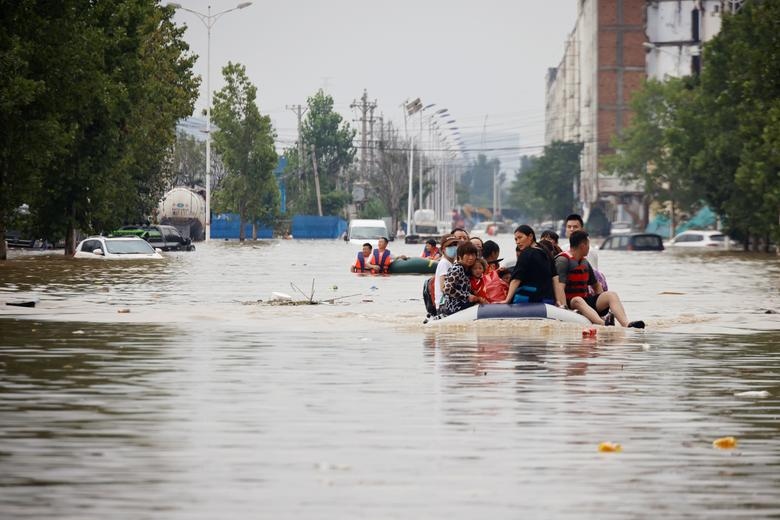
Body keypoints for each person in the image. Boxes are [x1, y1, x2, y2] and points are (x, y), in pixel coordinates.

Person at [556, 230, 644, 328]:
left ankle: (626, 324)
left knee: (611, 295)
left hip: (585, 301)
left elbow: (596, 285)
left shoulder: (584, 262)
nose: (589, 248)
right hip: (571, 303)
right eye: (588, 245)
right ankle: (603, 324)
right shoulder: (562, 261)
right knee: (578, 299)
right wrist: (564, 310)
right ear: (582, 245)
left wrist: (603, 304)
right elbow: (559, 287)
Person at [503, 225, 566, 307]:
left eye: (520, 237)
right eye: (516, 239)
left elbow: (516, 279)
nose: (517, 242)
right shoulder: (546, 252)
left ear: (530, 236)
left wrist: (507, 300)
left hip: (527, 299)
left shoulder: (526, 253)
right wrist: (558, 301)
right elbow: (555, 278)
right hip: (547, 300)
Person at [564, 213, 608, 290]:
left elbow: (593, 276)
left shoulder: (588, 251)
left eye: (575, 227)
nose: (571, 229)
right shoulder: (563, 248)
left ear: (582, 229)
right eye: (569, 227)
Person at [440, 241, 483, 316]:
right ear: (460, 256)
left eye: (473, 255)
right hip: (455, 308)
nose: (471, 258)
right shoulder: (457, 268)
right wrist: (466, 296)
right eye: (468, 255)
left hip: (462, 305)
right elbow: (447, 289)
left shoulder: (466, 269)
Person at [433, 234, 462, 311]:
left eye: (455, 244)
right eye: (450, 246)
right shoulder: (444, 263)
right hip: (444, 305)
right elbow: (444, 288)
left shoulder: (452, 263)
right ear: (443, 250)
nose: (453, 247)